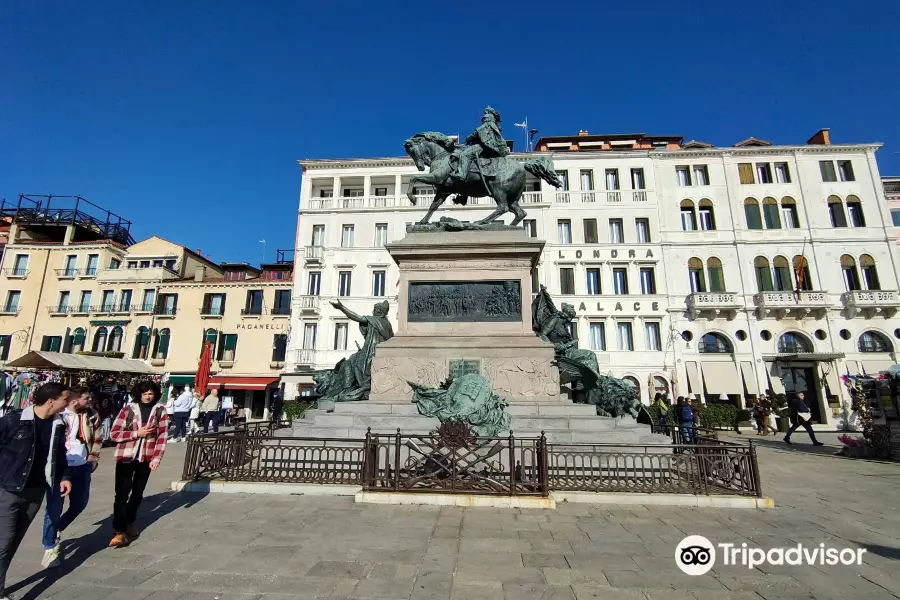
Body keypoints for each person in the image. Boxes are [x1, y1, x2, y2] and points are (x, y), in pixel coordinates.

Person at [0, 383, 72, 598]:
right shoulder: (14, 420)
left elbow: (60, 454)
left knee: (12, 542)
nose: (67, 404)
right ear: (51, 401)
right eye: (65, 399)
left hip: (36, 491)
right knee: (3, 542)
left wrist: (64, 477)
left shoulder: (58, 423)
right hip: (8, 489)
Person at [40, 386, 102, 568]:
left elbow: (97, 437)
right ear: (75, 400)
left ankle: (56, 528)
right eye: (86, 398)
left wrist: (93, 458)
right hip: (59, 466)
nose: (89, 401)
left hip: (82, 465)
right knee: (54, 506)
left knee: (80, 503)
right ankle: (50, 546)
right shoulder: (58, 415)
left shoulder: (90, 415)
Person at [108, 380, 168, 548]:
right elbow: (114, 434)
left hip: (146, 457)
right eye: (145, 394)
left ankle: (130, 521)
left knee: (137, 492)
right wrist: (136, 433)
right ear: (139, 394)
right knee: (121, 494)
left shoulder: (160, 411)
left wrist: (157, 458)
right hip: (126, 456)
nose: (148, 397)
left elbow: (162, 436)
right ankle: (118, 531)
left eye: (151, 394)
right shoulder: (128, 410)